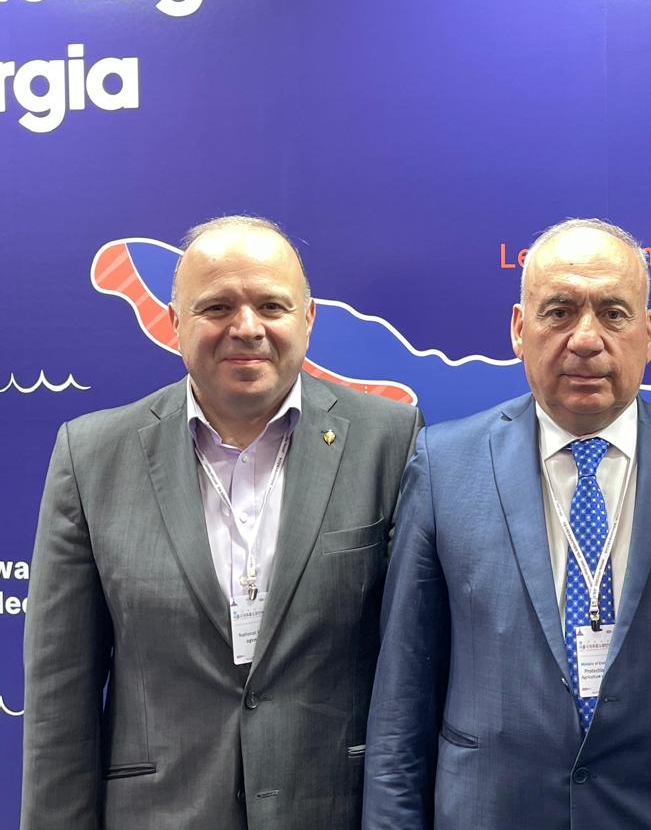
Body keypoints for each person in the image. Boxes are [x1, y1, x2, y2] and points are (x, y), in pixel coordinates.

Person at [363, 218, 651, 830]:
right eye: (560, 312)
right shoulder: (444, 465)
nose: (587, 339)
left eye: (613, 314)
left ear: (648, 334)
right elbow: (402, 698)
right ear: (519, 329)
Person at [22, 216, 422, 830]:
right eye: (216, 307)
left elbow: (416, 669)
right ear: (174, 322)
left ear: (308, 319)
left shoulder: (389, 441)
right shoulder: (92, 456)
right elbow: (60, 694)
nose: (247, 327)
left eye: (271, 306)